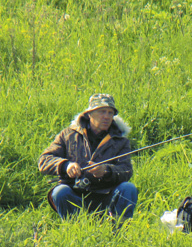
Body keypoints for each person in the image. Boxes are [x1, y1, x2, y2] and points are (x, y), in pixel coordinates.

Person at [38, 94, 138, 222]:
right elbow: (44, 160)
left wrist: (106, 171)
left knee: (129, 189)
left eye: (110, 113)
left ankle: (119, 232)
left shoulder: (121, 141)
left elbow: (126, 170)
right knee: (60, 192)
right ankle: (74, 230)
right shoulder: (67, 135)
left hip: (106, 196)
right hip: (74, 193)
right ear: (89, 114)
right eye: (102, 112)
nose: (107, 116)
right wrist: (66, 165)